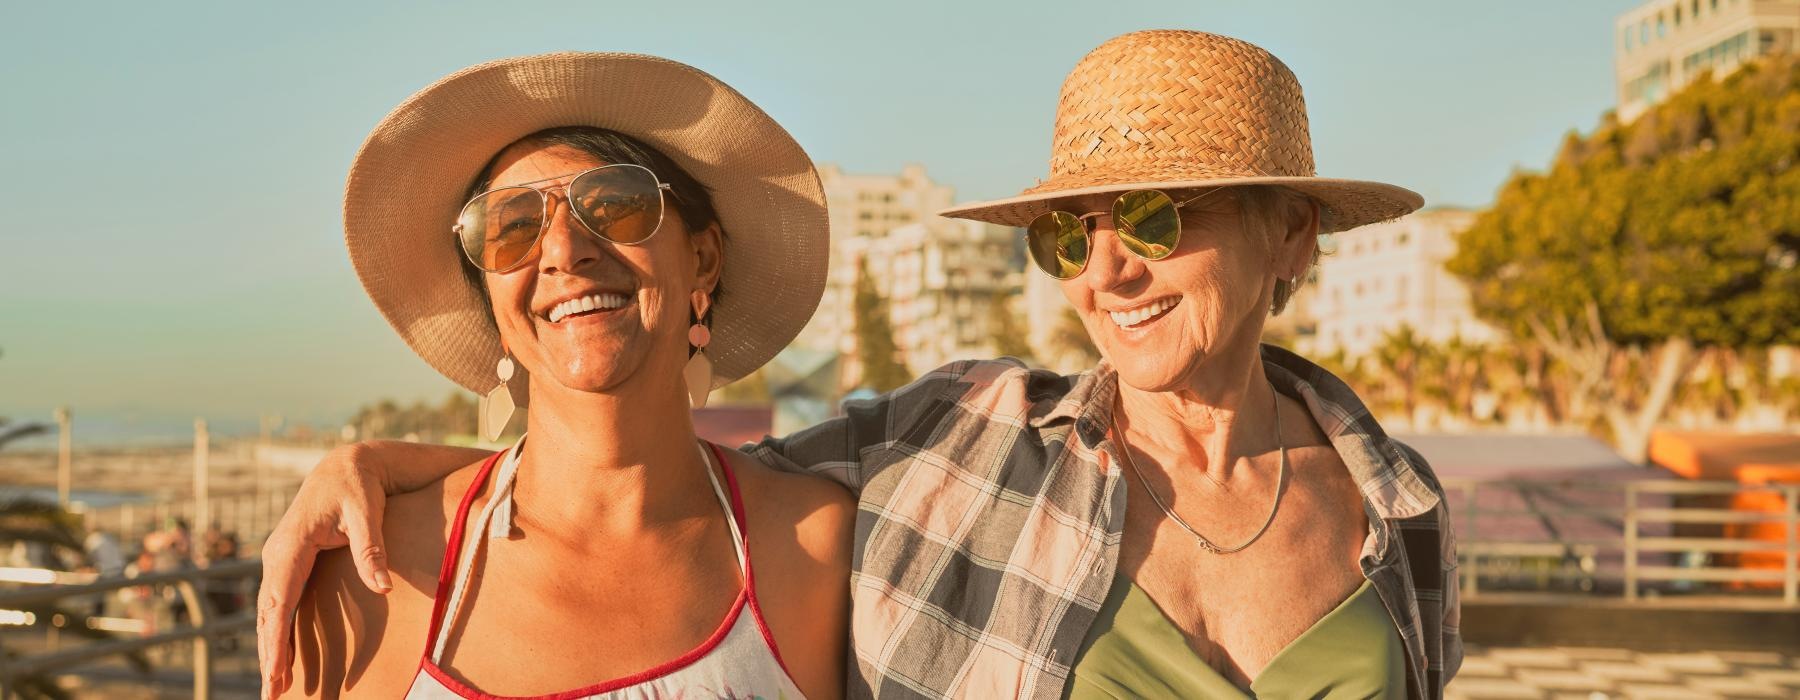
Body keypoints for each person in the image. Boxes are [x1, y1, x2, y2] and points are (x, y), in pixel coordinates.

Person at [260, 31, 1460, 698]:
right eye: (1070, 233)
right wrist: (391, 465)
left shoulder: (1400, 509)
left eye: (1155, 219)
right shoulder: (966, 439)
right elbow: (642, 477)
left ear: (1293, 231)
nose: (1110, 271)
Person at [268, 52, 852, 699]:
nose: (565, 251)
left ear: (703, 260)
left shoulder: (816, 548)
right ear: (491, 294)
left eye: (617, 206)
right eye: (510, 227)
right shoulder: (372, 574)